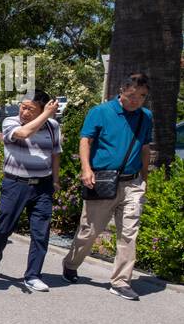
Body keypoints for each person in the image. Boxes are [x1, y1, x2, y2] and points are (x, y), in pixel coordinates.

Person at [62, 72, 155, 300]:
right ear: (122, 91)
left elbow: (144, 148)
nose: (136, 101)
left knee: (129, 233)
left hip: (132, 183)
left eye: (142, 96)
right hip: (102, 181)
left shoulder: (146, 117)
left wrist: (145, 178)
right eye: (133, 95)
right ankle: (71, 263)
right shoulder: (100, 112)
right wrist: (86, 169)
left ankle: (121, 281)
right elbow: (86, 140)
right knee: (89, 231)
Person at [0, 89, 60, 291]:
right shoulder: (11, 122)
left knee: (41, 232)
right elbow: (24, 134)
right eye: (23, 106)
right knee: (3, 228)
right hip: (16, 183)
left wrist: (56, 180)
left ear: (42, 110)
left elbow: (55, 154)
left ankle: (33, 275)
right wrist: (45, 114)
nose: (24, 112)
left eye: (30, 109)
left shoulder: (53, 127)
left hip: (42, 186)